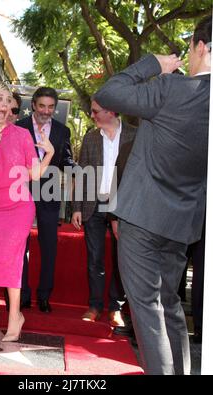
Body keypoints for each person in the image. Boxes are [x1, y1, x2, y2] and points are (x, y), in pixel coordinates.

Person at [94, 15, 211, 375]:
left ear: (202, 48)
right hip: (182, 224)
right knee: (170, 306)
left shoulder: (174, 89)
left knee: (148, 312)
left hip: (143, 218)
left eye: (190, 48)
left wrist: (152, 64)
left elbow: (108, 94)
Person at [0, 81, 54, 341]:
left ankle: (15, 314)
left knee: (15, 261)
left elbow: (35, 175)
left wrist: (49, 154)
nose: (4, 105)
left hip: (20, 207)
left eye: (7, 100)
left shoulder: (22, 135)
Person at [71, 99, 136, 328]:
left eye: (96, 111)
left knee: (123, 260)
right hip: (94, 205)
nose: (92, 114)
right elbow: (81, 175)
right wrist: (76, 207)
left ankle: (116, 308)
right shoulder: (90, 137)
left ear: (111, 110)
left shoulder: (134, 135)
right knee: (94, 259)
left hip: (124, 207)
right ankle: (96, 305)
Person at [16, 87, 75, 312]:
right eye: (42, 106)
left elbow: (66, 160)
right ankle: (22, 293)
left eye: (51, 107)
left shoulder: (62, 131)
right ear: (33, 105)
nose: (46, 111)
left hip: (49, 189)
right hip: (21, 187)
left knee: (49, 245)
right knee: (21, 244)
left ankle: (44, 295)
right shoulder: (19, 127)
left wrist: (77, 170)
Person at [0, 90, 23, 310]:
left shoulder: (22, 135)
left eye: (12, 108)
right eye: (2, 103)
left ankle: (15, 309)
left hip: (20, 204)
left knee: (15, 256)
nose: (8, 110)